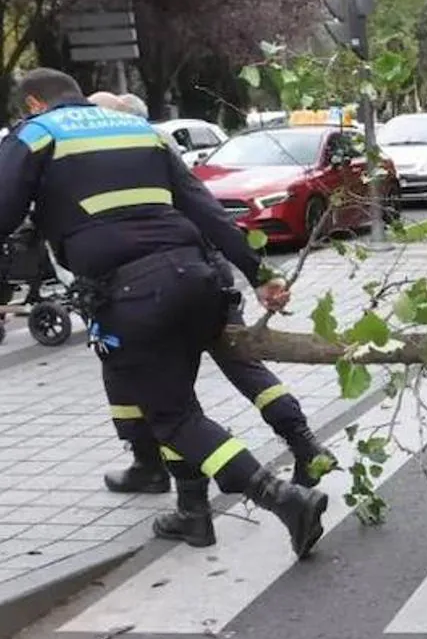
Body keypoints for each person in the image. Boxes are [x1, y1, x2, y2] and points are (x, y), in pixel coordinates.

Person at [0, 69, 329, 558]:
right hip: (197, 278)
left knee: (175, 418)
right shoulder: (137, 129)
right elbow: (204, 206)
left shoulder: (37, 134)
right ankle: (193, 514)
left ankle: (282, 499)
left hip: (132, 294)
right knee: (175, 398)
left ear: (32, 103)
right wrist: (260, 274)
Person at [84, 91, 335, 502]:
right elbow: (209, 213)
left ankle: (161, 476)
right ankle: (303, 441)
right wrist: (255, 273)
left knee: (161, 392)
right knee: (244, 367)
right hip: (205, 276)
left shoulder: (114, 157)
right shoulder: (158, 147)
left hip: (152, 285)